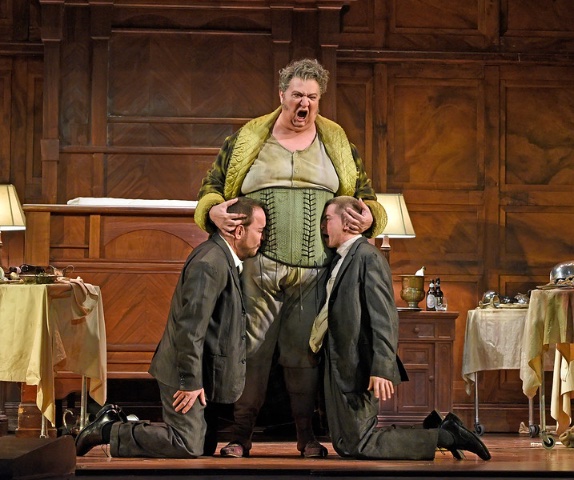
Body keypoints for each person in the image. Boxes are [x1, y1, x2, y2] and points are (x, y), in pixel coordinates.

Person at [194, 58, 386, 458]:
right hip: (255, 269)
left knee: (304, 356)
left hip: (315, 272)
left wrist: (370, 214)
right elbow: (211, 187)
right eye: (297, 95)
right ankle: (240, 435)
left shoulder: (337, 142)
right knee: (251, 352)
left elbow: (364, 195)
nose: (305, 104)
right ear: (282, 95)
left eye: (312, 97)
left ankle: (307, 435)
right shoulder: (248, 138)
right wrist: (212, 209)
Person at [74, 197, 267, 458]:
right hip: (182, 370)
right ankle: (108, 429)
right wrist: (189, 383)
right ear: (239, 231)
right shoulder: (210, 263)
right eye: (260, 230)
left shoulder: (222, 257)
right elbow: (190, 329)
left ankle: (116, 423)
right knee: (188, 445)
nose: (262, 238)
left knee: (204, 445)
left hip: (199, 371)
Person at [312, 196, 491, 461]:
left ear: (347, 222)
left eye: (327, 219)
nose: (322, 226)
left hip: (359, 363)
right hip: (340, 361)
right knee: (346, 444)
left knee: (360, 444)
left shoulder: (368, 257)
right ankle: (439, 429)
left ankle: (446, 436)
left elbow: (384, 317)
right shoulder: (341, 258)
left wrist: (381, 368)